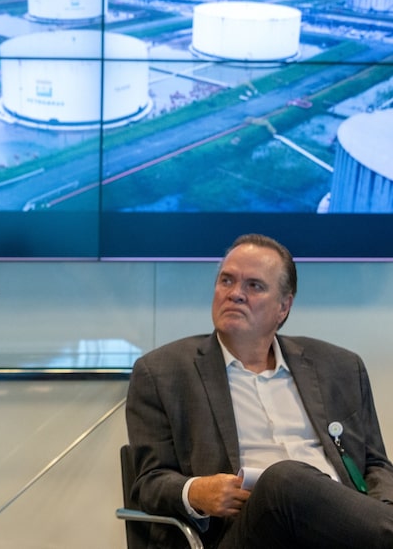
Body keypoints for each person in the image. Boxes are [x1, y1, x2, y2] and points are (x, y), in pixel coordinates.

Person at [126, 233, 393, 549]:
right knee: (284, 479)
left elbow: (376, 466)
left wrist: (376, 515)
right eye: (226, 281)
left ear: (283, 306)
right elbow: (148, 483)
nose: (235, 294)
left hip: (340, 535)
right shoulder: (162, 373)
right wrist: (196, 491)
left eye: (254, 286)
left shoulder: (340, 367)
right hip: (241, 533)